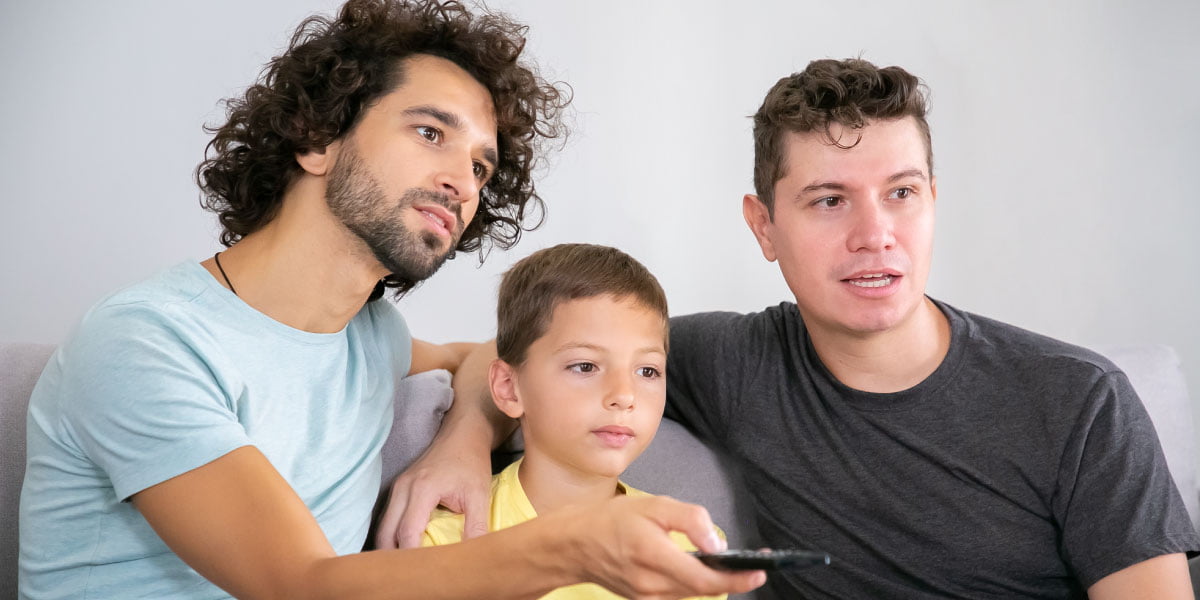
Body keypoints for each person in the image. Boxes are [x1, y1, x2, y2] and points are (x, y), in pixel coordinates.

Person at [17, 1, 765, 598]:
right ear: (318, 138)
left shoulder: (370, 338)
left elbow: (487, 362)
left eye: (480, 164)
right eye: (431, 132)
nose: (463, 181)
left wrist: (463, 445)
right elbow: (298, 584)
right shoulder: (145, 342)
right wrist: (574, 549)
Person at [388, 58, 1200, 598]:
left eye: (902, 192)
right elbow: (523, 353)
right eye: (828, 200)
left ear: (933, 201)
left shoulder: (1077, 399)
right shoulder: (732, 359)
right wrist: (464, 438)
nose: (875, 233)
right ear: (764, 226)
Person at [420, 243, 726, 600]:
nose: (624, 395)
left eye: (647, 370)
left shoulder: (690, 545)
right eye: (585, 366)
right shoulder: (445, 543)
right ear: (509, 388)